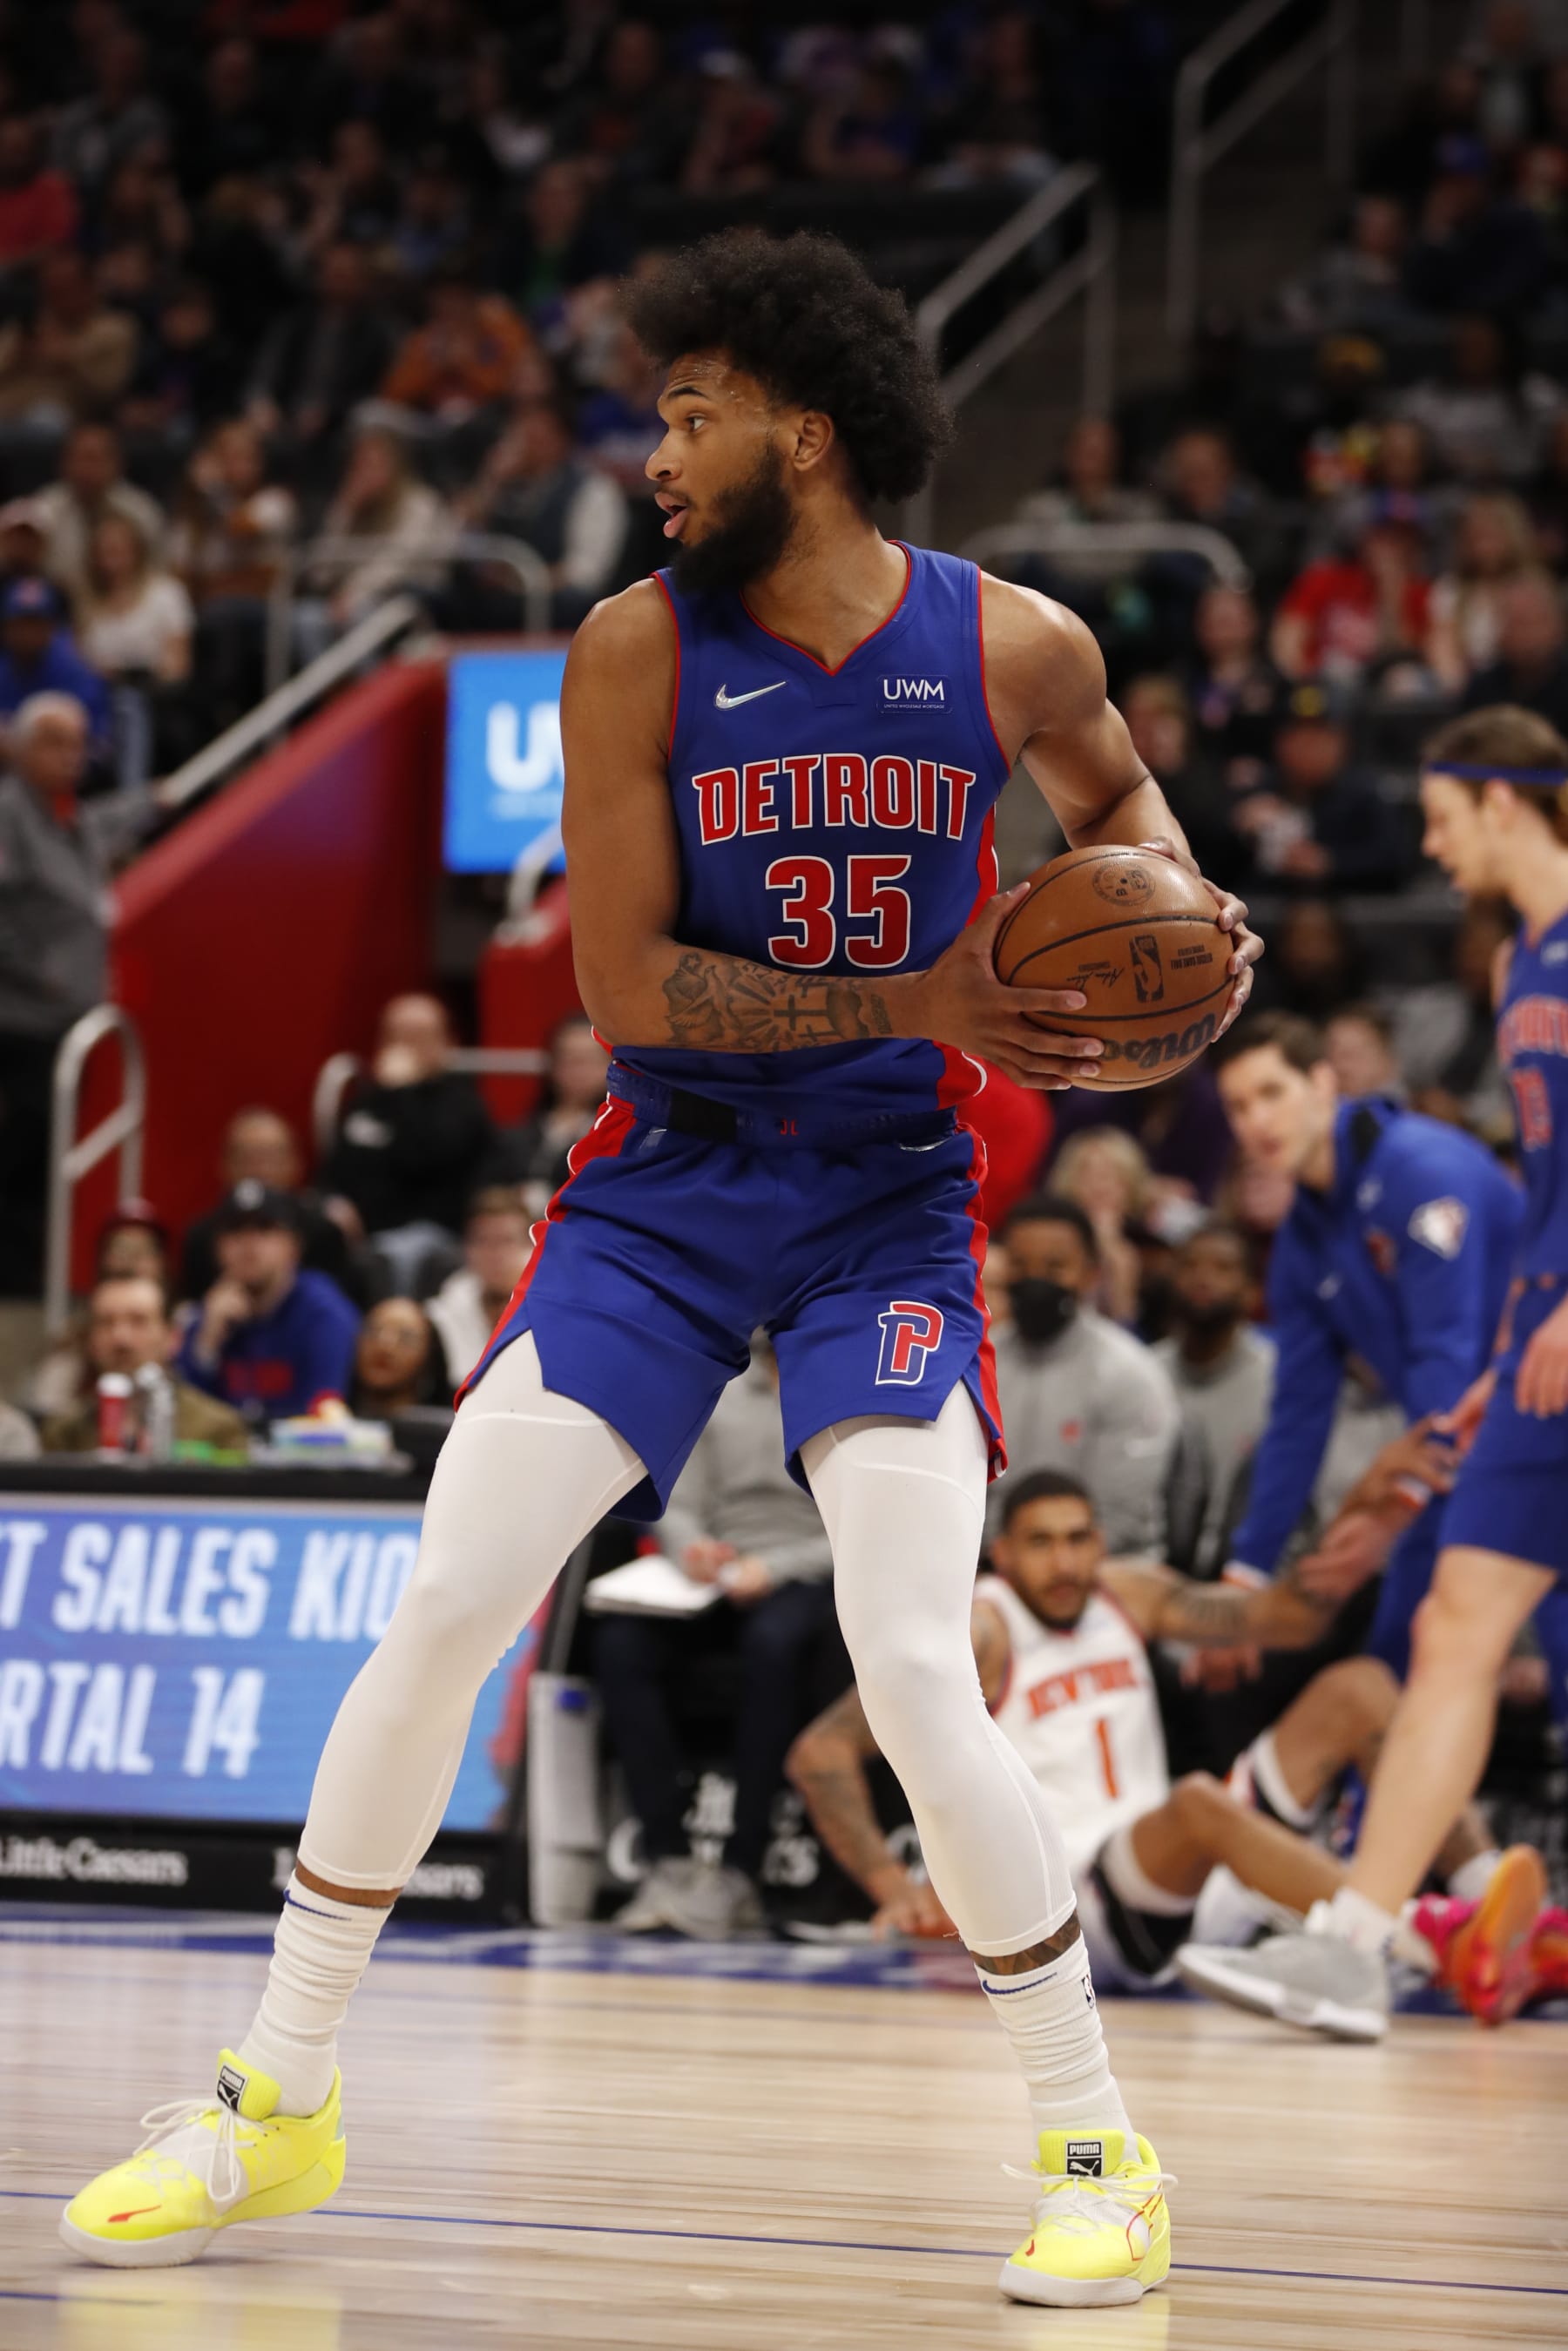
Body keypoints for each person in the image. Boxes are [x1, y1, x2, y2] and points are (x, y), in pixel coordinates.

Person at [64, 227, 1261, 2307]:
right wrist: (939, 984)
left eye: (692, 412)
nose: (658, 453)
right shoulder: (628, 648)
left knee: (906, 1649)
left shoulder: (1020, 652)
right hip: (668, 1183)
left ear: (811, 429)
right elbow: (629, 990)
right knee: (444, 1591)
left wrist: (1184, 960)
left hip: (885, 1200)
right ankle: (275, 2093)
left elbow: (1149, 881)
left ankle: (1097, 2143)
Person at [1179, 703, 1568, 2040]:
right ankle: (1358, 1939)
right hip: (1531, 1374)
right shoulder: (1523, 964)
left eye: (1445, 816)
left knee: (1451, 1618)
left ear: (1503, 802)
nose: (1430, 845)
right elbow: (1550, 1189)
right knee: (1455, 1623)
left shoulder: (1426, 1171)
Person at [786, 1471, 1535, 2015]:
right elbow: (821, 1752)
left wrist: (1368, 1508)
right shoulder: (986, 1626)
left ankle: (1493, 1899)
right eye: (1042, 1544)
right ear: (1003, 1554)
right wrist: (895, 1890)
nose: (1066, 1561)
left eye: (1080, 1539)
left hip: (1187, 1875)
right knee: (1198, 1801)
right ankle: (1426, 1942)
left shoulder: (1126, 1592)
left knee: (1362, 1688)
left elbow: (1287, 1621)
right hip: (1083, 1907)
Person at [1214, 1010, 1522, 1679]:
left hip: (1524, 1426)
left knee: (1423, 1649)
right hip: (1463, 1449)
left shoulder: (1422, 1172)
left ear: (1323, 1082)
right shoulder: (1300, 1240)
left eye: (1272, 1092)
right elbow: (1297, 1414)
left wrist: (1395, 1510)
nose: (1256, 1122)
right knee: (1395, 1660)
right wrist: (1246, 1574)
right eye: (1238, 1105)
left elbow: (1450, 1358)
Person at [597, 1335, 848, 1940]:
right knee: (621, 1643)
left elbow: (863, 1527)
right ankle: (669, 1859)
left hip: (811, 1571)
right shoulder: (721, 1393)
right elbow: (676, 1501)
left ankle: (741, 1869)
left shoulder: (851, 1396)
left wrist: (776, 1568)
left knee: (774, 1644)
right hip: (716, 1571)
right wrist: (693, 1549)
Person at [0, 693, 153, 1295]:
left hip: (67, 1026)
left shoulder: (74, 818)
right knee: (17, 1166)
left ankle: (36, 1284)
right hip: (17, 1026)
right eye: (54, 741)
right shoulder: (9, 814)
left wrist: (156, 798)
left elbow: (116, 821)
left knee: (48, 1165)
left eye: (78, 743)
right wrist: (37, 974)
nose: (70, 756)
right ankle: (14, 1294)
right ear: (18, 745)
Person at [988, 1194, 1181, 1553]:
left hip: (1108, 1570)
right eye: (1019, 1264)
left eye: (1054, 1266)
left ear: (1091, 1273)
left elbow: (1120, 1517)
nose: (1035, 1279)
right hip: (992, 1564)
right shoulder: (981, 1363)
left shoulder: (1129, 1373)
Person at [320, 993, 495, 1287]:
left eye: (417, 1037)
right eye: (395, 1036)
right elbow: (335, 1168)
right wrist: (333, 1203)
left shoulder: (462, 1105)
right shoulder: (366, 1103)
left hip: (431, 1232)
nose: (404, 1048)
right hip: (363, 1233)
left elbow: (426, 1160)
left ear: (446, 1044)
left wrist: (402, 1093)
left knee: (398, 1255)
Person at [175, 1180, 360, 1427]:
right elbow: (184, 1419)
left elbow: (324, 1414)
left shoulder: (324, 1313)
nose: (248, 1243)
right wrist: (207, 1342)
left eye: (264, 1229)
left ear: (294, 1245)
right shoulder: (208, 1314)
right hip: (223, 1461)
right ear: (216, 1248)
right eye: (235, 1230)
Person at [1155, 1223, 1276, 1577]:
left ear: (1252, 1292)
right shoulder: (1142, 1373)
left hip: (1247, 1577)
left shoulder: (1278, 1383)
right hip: (1152, 1571)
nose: (1203, 1277)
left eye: (1223, 1268)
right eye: (1190, 1265)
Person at [453, 395, 628, 629]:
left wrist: (523, 581)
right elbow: (459, 544)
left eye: (535, 437)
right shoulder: (500, 486)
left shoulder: (594, 490)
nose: (524, 446)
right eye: (520, 435)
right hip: (498, 598)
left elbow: (585, 573)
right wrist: (491, 480)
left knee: (574, 602)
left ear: (561, 440)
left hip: (553, 601)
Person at [41, 1272, 249, 1454]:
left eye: (138, 1321)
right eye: (106, 1323)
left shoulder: (217, 1429)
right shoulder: (64, 1434)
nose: (121, 1338)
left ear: (172, 1338)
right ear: (91, 1340)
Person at [179, 1106, 365, 1307]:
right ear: (223, 1165)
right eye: (247, 1158)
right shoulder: (201, 1237)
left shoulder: (324, 1233)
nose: (259, 1169)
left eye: (271, 1157)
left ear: (296, 1164)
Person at [1233, 682, 1409, 892]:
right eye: (1298, 735)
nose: (1308, 746)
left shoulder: (1365, 794)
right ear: (1279, 743)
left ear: (1342, 742)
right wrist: (1237, 832)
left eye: (1320, 735)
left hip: (1346, 910)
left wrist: (1330, 863)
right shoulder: (1258, 792)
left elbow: (1394, 860)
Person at [492, 1012, 611, 1216]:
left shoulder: (619, 1134)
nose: (579, 1070)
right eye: (570, 1059)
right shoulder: (520, 1132)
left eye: (590, 1060)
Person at [34, 422, 165, 606]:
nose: (86, 469)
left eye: (95, 459)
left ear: (117, 464)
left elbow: (157, 572)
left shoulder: (141, 512)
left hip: (127, 605)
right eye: (79, 458)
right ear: (64, 463)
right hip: (58, 608)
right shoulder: (42, 511)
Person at [425, 1185, 532, 1382]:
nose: (494, 1254)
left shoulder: (551, 1308)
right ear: (467, 1249)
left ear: (530, 1247)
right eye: (483, 1241)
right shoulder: (441, 1312)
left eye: (506, 1241)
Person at [0, 577, 112, 754]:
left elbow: (96, 742)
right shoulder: (3, 669)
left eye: (35, 624)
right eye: (21, 624)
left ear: (51, 627)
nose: (27, 633)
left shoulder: (75, 670)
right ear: (6, 628)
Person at [1459, 569, 1568, 735]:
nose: (1521, 636)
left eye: (1528, 623)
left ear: (1557, 626)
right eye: (1511, 623)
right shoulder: (1481, 689)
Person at [347, 1298, 450, 1422]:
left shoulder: (450, 1430)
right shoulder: (327, 1419)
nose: (384, 1345)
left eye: (406, 1338)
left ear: (430, 1355)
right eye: (373, 1331)